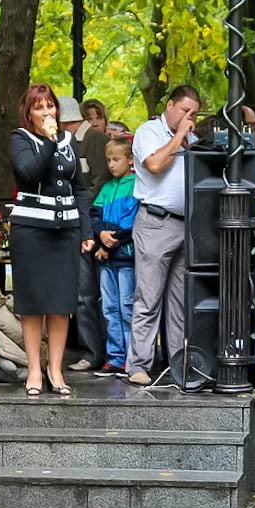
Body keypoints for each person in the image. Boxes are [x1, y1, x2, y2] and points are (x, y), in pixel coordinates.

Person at [10, 84, 94, 396]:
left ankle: (55, 369)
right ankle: (34, 370)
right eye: (39, 108)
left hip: (66, 232)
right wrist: (47, 141)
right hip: (31, 232)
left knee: (61, 305)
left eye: (50, 107)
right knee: (33, 305)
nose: (47, 113)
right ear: (29, 114)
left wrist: (86, 231)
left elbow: (80, 189)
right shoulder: (20, 139)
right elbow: (29, 174)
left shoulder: (69, 141)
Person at [125, 85, 201, 386]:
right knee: (149, 298)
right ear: (170, 105)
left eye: (193, 113)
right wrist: (181, 136)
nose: (189, 117)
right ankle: (138, 365)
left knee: (180, 301)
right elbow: (155, 165)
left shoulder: (191, 140)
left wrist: (186, 138)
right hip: (156, 222)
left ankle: (179, 364)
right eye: (184, 110)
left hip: (186, 225)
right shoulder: (149, 132)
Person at [59, 96, 108, 373]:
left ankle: (93, 351)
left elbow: (99, 183)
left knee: (88, 293)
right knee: (80, 292)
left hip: (89, 223)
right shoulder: (64, 143)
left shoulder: (95, 141)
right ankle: (85, 349)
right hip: (73, 221)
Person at [91, 138, 139, 377]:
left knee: (127, 307)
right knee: (109, 308)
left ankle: (132, 358)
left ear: (130, 159)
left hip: (125, 258)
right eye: (108, 160)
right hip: (107, 259)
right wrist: (101, 236)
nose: (111, 164)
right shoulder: (107, 188)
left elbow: (131, 222)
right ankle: (115, 357)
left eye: (116, 159)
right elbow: (95, 214)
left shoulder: (135, 185)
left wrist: (109, 244)